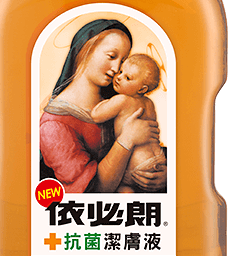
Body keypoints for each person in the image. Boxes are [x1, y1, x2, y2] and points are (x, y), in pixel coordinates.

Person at [39, 19, 167, 193]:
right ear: (85, 50)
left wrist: (163, 174)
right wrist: (127, 139)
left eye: (123, 60)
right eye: (112, 56)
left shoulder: (119, 100)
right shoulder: (53, 126)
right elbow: (93, 191)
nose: (116, 68)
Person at [91, 54, 166, 193]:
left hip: (137, 166)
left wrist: (102, 102)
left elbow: (96, 116)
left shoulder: (122, 100)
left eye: (128, 78)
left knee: (123, 187)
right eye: (121, 71)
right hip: (159, 161)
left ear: (142, 89)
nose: (119, 77)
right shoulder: (149, 103)